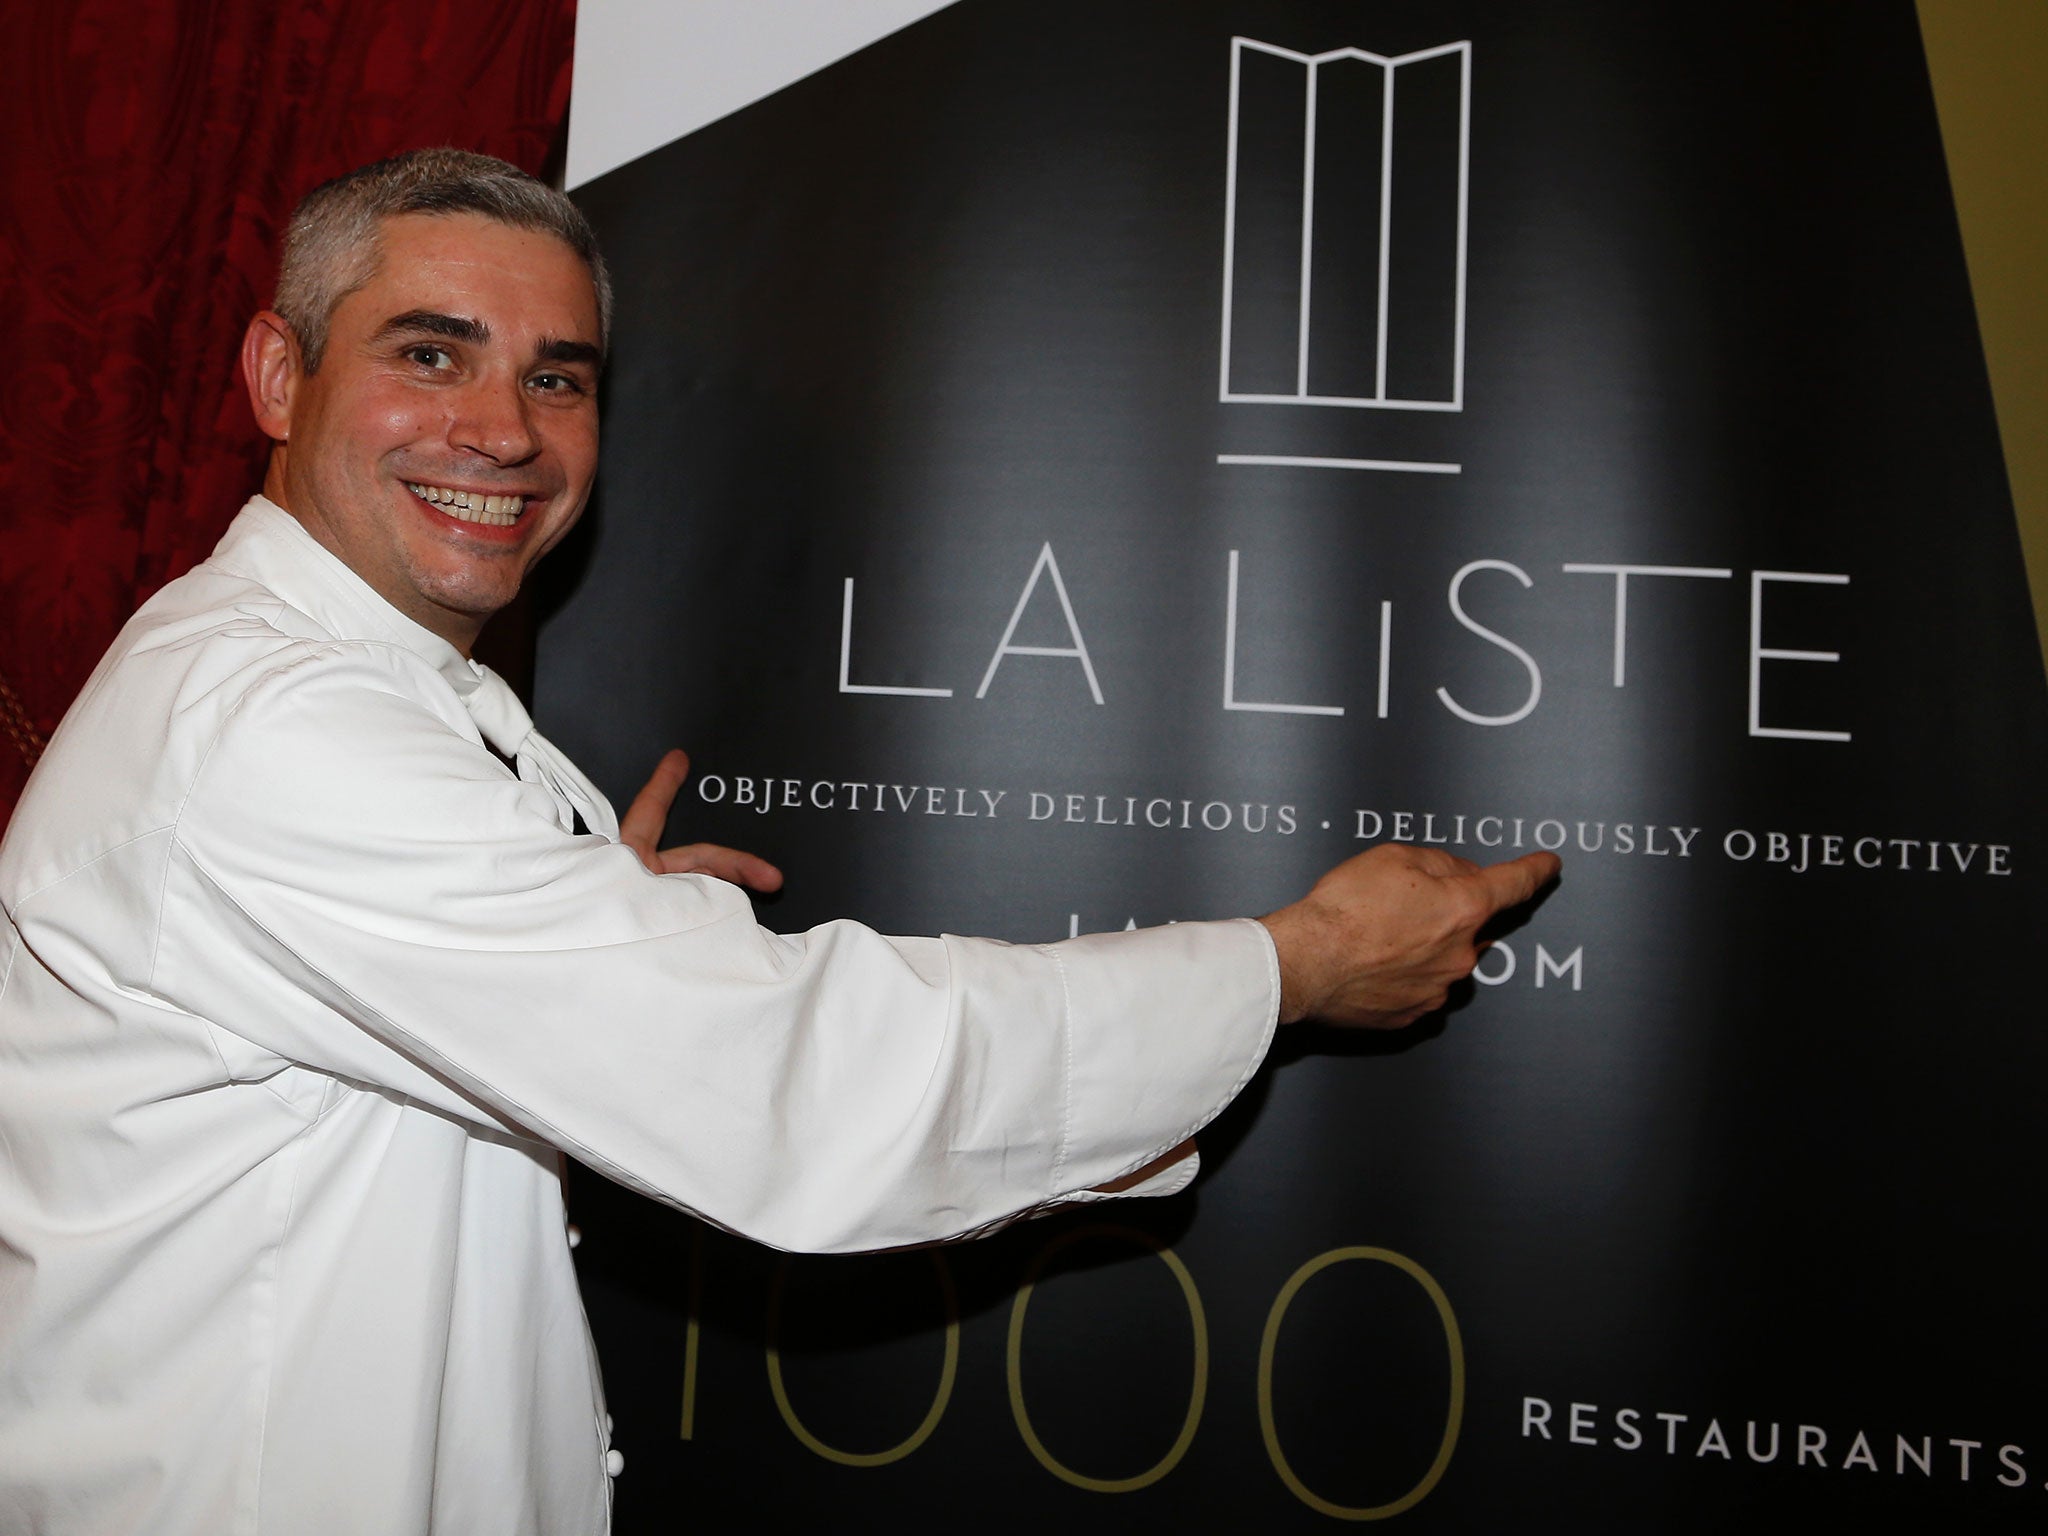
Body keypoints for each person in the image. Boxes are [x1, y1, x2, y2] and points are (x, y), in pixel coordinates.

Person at [0, 150, 1557, 1535]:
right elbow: (786, 1086)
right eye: (431, 354)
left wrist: (581, 941)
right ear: (279, 375)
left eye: (561, 378)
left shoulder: (365, 681)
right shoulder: (271, 722)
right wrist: (1292, 968)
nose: (505, 432)